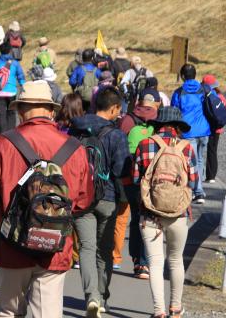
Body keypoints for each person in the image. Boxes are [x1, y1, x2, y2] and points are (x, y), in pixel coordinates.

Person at [0, 81, 94, 318]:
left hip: (11, 245)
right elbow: (84, 201)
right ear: (52, 111)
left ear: (20, 110)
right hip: (55, 246)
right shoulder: (75, 148)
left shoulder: (2, 144)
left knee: (9, 312)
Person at [69, 87, 131, 317]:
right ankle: (103, 296)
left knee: (86, 247)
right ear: (114, 108)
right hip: (107, 198)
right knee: (104, 249)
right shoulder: (116, 135)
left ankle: (91, 297)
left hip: (81, 198)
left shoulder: (75, 130)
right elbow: (121, 169)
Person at [134, 107, 197, 318]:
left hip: (150, 214)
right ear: (178, 127)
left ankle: (159, 311)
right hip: (178, 214)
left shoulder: (145, 144)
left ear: (159, 124)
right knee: (176, 260)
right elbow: (195, 183)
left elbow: (136, 179)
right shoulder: (187, 148)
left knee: (155, 261)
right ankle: (175, 308)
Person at [115, 87, 160, 278]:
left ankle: (137, 262)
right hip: (153, 180)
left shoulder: (127, 120)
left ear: (138, 101)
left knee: (134, 219)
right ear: (156, 103)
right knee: (150, 219)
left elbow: (118, 147)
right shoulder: (160, 120)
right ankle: (146, 262)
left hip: (130, 179)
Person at [171, 63, 210, 204]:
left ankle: (198, 192)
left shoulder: (178, 92)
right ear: (195, 74)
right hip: (204, 130)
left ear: (182, 76)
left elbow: (174, 112)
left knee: (191, 161)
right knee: (199, 159)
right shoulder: (204, 90)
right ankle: (198, 189)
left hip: (188, 131)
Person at [54, 92, 85, 271]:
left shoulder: (57, 128)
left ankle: (61, 249)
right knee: (75, 217)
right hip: (75, 175)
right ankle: (76, 253)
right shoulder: (82, 130)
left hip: (58, 174)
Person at [0, 43, 26, 134]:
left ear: (0, 51)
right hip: (11, 91)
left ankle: (2, 135)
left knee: (1, 115)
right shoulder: (15, 63)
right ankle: (11, 134)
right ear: (10, 51)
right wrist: (23, 86)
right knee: (11, 113)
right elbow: (20, 76)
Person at [202, 74, 226, 183]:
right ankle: (211, 175)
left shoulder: (207, 96)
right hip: (218, 128)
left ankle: (209, 175)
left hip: (209, 128)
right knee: (213, 151)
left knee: (205, 151)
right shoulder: (221, 96)